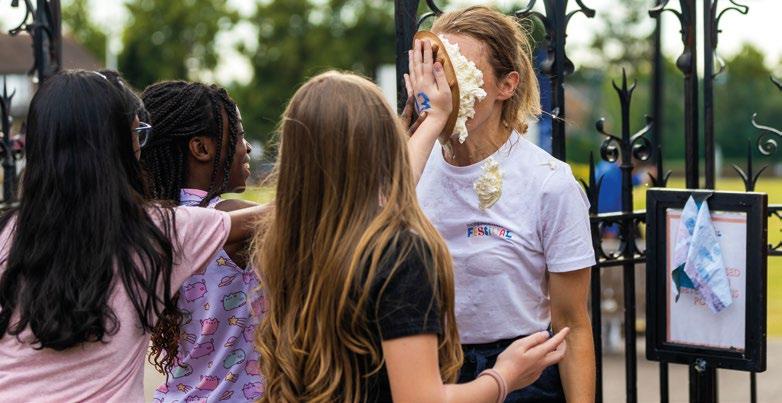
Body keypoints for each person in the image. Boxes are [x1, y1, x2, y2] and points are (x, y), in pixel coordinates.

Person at [253, 47, 568, 402]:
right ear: (383, 146)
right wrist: (504, 375)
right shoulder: (399, 254)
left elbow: (389, 197)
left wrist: (433, 119)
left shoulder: (286, 240)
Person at [0, 70, 265, 402]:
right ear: (113, 147)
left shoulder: (8, 232)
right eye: (138, 134)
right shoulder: (155, 230)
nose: (141, 149)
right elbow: (285, 215)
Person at [415, 7, 596, 402]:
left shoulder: (549, 183)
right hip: (427, 367)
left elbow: (572, 324)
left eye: (463, 71)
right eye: (438, 70)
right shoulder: (410, 169)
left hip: (524, 373)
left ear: (506, 86)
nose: (447, 86)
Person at [140, 80, 264, 402]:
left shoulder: (154, 222)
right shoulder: (228, 221)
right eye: (238, 135)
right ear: (201, 148)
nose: (247, 147)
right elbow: (310, 212)